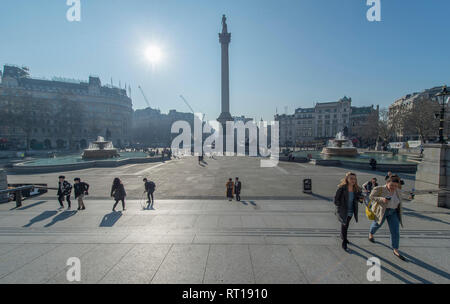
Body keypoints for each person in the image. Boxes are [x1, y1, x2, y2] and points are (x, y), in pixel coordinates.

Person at [368, 175, 405, 261]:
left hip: (393, 212)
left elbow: (400, 202)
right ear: (387, 183)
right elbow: (371, 197)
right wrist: (382, 199)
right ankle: (371, 233)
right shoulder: (379, 188)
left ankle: (395, 249)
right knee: (377, 224)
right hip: (383, 211)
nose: (393, 187)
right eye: (391, 185)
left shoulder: (398, 191)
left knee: (395, 231)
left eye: (396, 186)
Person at [334, 172, 363, 251]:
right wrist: (340, 207)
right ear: (347, 179)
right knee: (345, 224)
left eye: (354, 179)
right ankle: (344, 242)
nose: (353, 180)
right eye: (351, 178)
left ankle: (343, 236)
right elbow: (336, 199)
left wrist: (360, 199)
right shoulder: (342, 188)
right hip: (343, 210)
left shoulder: (357, 188)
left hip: (351, 211)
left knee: (346, 225)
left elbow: (358, 198)